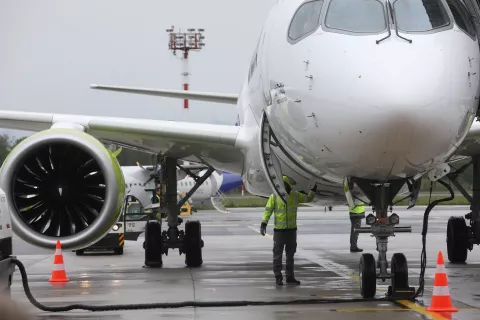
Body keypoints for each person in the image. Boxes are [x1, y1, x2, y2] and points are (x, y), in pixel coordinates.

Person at [260, 175, 317, 285]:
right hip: (279, 231)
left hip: (291, 231)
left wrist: (313, 191)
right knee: (278, 256)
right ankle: (278, 277)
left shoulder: (294, 195)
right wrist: (264, 224)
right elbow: (268, 211)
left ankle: (290, 277)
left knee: (290, 256)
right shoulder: (275, 196)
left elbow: (308, 198)